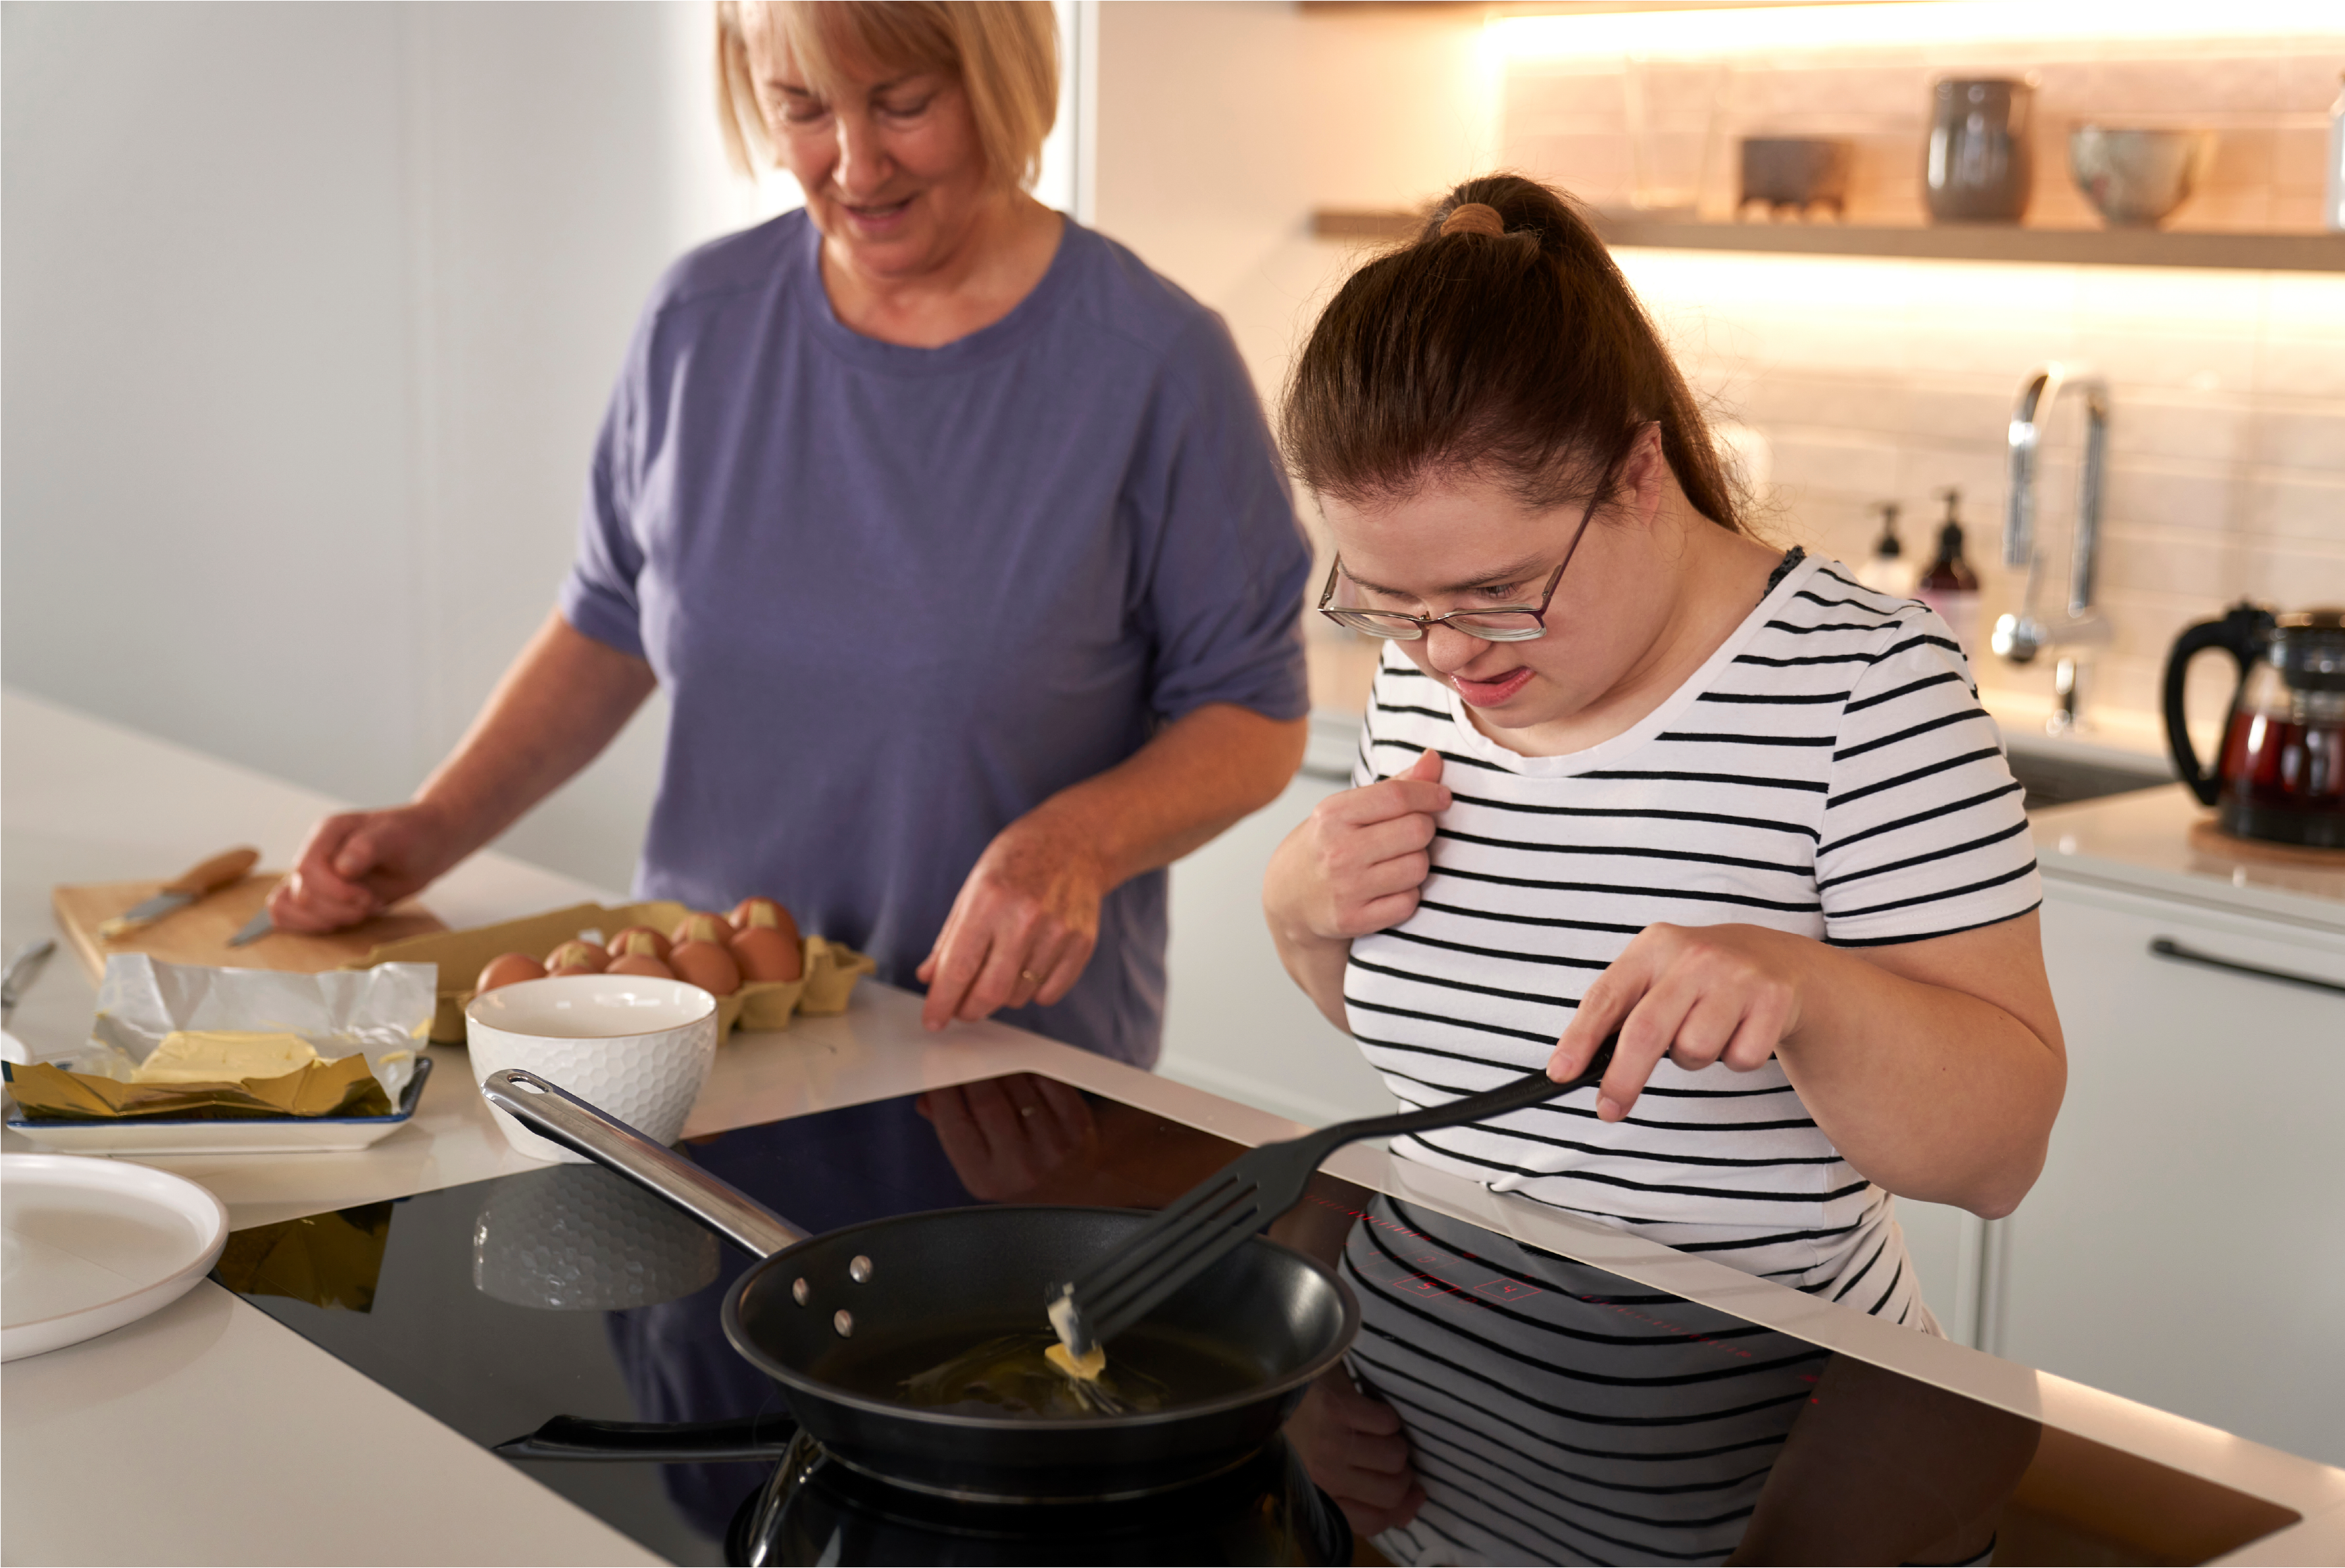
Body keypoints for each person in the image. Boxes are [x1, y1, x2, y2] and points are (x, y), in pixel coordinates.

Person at [267, 1, 1311, 1068]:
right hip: (686, 1054)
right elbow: (612, 619)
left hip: (1001, 1076)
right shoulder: (698, 322)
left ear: (1004, 78)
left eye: (904, 105)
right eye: (802, 107)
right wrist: (436, 824)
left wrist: (1077, 844)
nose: (855, 167)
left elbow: (1255, 713)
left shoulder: (1152, 363)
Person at [1262, 175, 2065, 1558]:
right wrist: (1297, 917)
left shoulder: (1862, 689)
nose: (1450, 659)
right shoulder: (1433, 675)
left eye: (1497, 595)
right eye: (1391, 607)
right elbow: (1475, 1066)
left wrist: (1805, 989)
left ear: (1636, 475)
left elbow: (1997, 1157)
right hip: (1437, 1485)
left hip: (1763, 1490)